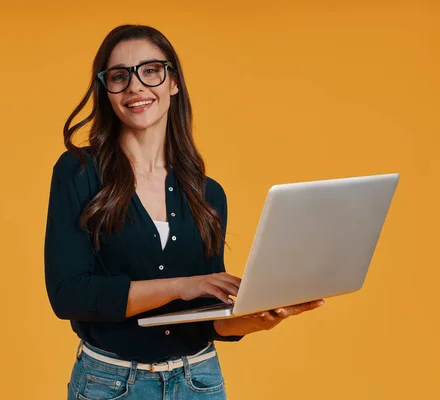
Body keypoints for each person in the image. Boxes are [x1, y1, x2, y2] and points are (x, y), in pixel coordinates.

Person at [44, 24, 324, 400]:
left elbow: (207, 319)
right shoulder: (78, 172)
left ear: (173, 82)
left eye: (151, 71)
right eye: (119, 76)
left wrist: (260, 317)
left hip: (200, 381)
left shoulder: (208, 194)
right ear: (106, 90)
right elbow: (69, 295)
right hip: (111, 385)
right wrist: (183, 285)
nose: (135, 87)